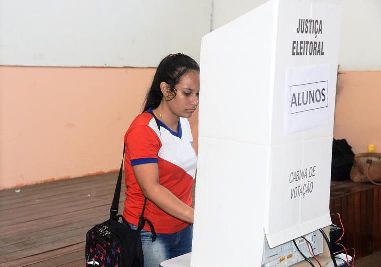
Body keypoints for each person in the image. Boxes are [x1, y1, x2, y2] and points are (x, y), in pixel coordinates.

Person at [123, 53, 200, 267]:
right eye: (187, 93)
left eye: (197, 94)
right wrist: (197, 217)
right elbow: (152, 188)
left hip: (183, 228)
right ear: (166, 89)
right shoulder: (143, 130)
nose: (195, 101)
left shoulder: (183, 123)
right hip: (150, 233)